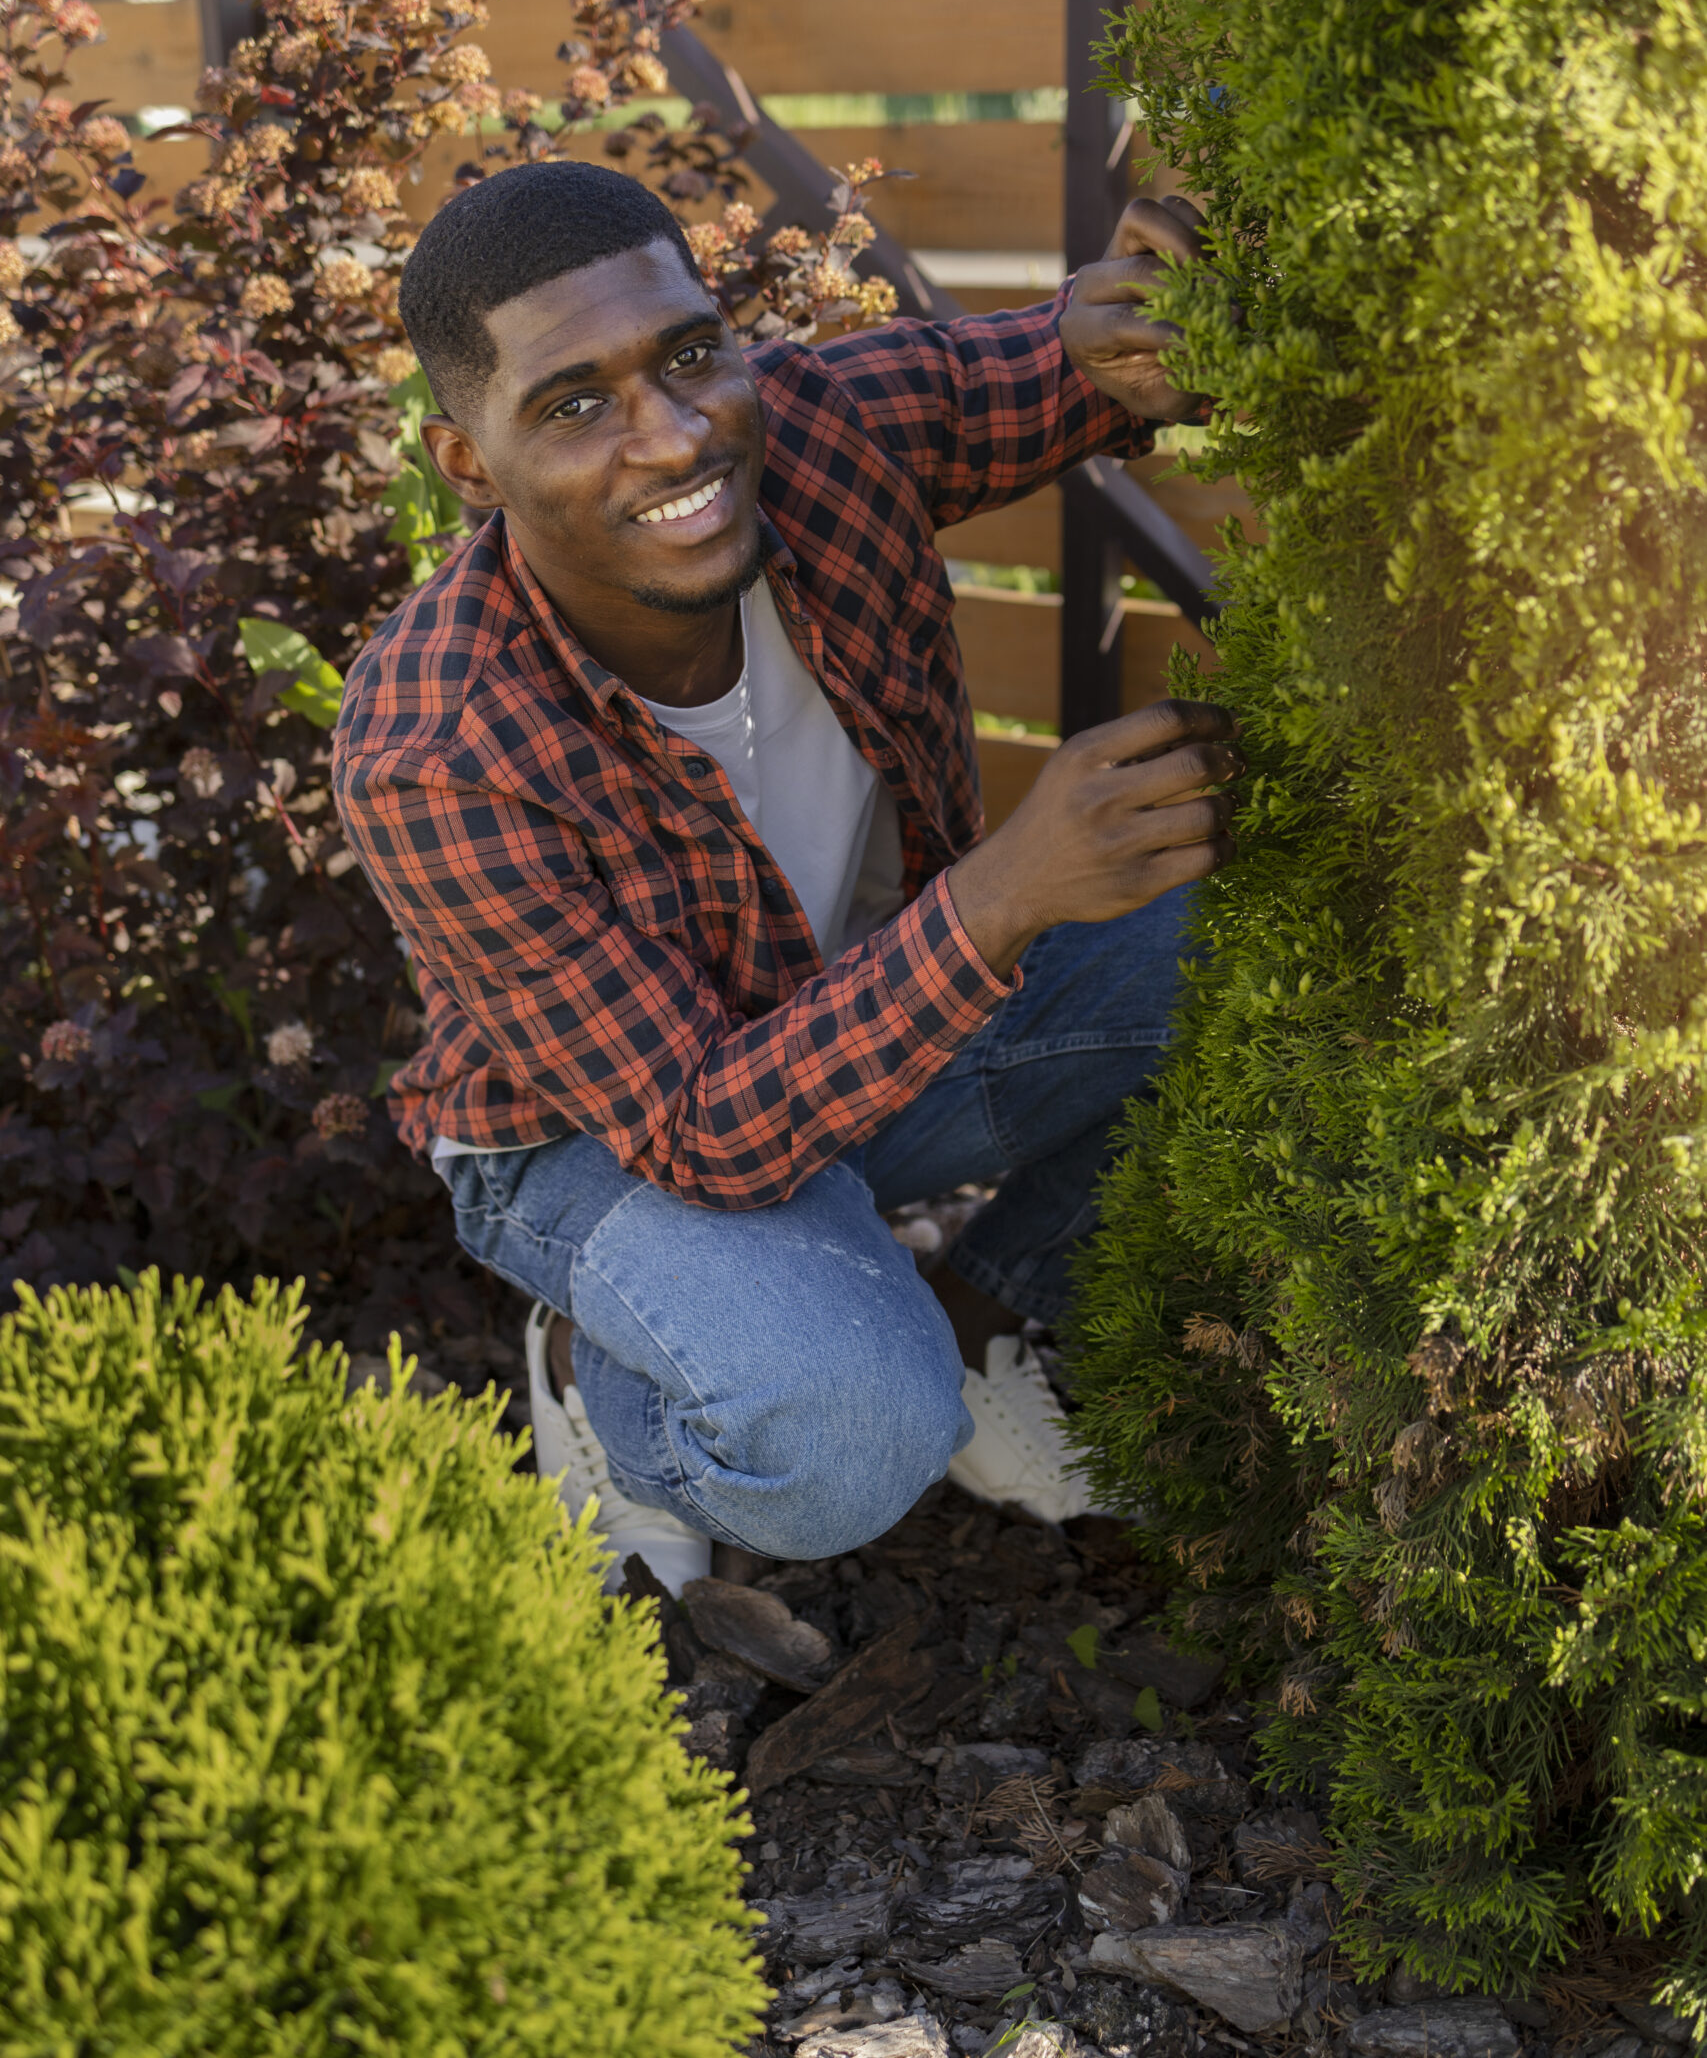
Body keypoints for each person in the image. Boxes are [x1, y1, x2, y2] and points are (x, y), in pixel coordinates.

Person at [333, 161, 1239, 1593]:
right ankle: (596, 1373)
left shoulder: (817, 439)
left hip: (867, 1034)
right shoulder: (434, 748)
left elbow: (1066, 363)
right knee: (846, 1441)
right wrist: (1007, 894)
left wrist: (1150, 303)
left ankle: (976, 1299)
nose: (674, 436)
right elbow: (697, 1128)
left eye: (691, 355)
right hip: (598, 1139)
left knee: (1247, 916)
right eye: (574, 406)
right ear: (466, 463)